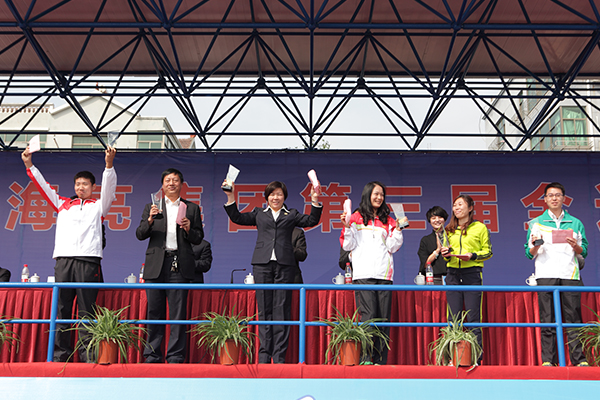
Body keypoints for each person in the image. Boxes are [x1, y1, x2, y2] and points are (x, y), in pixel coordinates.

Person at [21, 145, 117, 362]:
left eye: (85, 184)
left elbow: (110, 189)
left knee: (86, 311)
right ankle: (60, 355)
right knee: (62, 310)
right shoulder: (63, 204)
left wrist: (108, 165)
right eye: (78, 184)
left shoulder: (99, 206)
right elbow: (42, 186)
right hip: (63, 261)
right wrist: (29, 165)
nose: (81, 187)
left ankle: (87, 357)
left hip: (88, 261)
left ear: (93, 187)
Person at [223, 180, 322, 364]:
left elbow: (311, 220)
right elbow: (237, 218)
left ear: (284, 197)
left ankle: (279, 357)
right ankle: (263, 355)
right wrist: (230, 196)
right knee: (264, 309)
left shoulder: (291, 214)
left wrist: (314, 200)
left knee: (281, 310)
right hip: (262, 265)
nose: (275, 197)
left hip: (285, 266)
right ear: (267, 197)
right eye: (272, 194)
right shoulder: (259, 213)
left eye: (279, 194)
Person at [136, 168, 204, 363]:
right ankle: (152, 355)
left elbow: (198, 238)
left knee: (178, 313)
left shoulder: (191, 208)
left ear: (181, 184)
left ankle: (175, 355)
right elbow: (140, 234)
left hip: (179, 264)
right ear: (162, 185)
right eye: (168, 180)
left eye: (175, 180)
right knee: (154, 312)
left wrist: (189, 229)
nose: (171, 183)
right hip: (156, 264)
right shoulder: (152, 206)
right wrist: (150, 220)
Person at [340, 181, 407, 365]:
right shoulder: (355, 217)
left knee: (383, 319)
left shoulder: (389, 220)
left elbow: (393, 247)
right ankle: (365, 358)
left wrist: (398, 229)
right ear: (368, 194)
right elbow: (347, 245)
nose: (379, 197)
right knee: (368, 317)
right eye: (376, 194)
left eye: (382, 195)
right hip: (363, 275)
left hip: (384, 275)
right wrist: (347, 226)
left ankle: (380, 360)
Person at [525, 182, 588, 367]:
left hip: (570, 274)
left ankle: (579, 360)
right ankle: (548, 360)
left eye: (558, 195)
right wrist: (536, 245)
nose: (554, 198)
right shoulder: (536, 223)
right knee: (548, 319)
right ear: (545, 199)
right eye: (550, 195)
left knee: (573, 318)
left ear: (563, 198)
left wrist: (576, 246)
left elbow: (584, 250)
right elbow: (528, 253)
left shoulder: (575, 222)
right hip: (546, 274)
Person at [441, 194, 492, 362]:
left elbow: (488, 251)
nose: (457, 208)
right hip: (452, 274)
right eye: (455, 205)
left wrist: (473, 255)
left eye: (461, 204)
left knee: (473, 318)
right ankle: (452, 358)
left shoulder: (480, 227)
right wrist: (446, 254)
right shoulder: (448, 229)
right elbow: (446, 255)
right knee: (453, 318)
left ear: (470, 208)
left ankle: (476, 358)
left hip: (472, 274)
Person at [417, 206, 449, 285]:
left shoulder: (452, 237)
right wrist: (437, 250)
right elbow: (425, 264)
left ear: (445, 219)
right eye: (433, 218)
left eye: (440, 217)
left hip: (451, 279)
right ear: (430, 221)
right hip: (432, 280)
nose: (437, 220)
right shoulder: (425, 240)